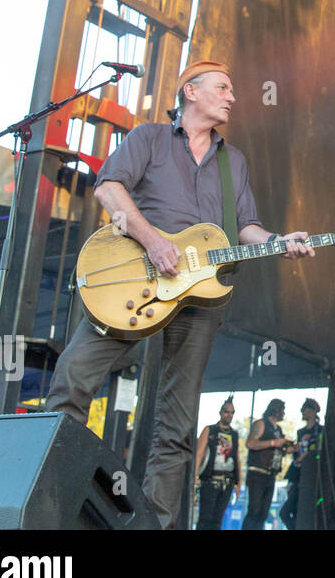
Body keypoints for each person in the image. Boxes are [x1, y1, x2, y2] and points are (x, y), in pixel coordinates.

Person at [44, 61, 315, 528]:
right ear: (191, 91)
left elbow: (244, 227)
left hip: (199, 295)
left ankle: (159, 524)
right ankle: (49, 502)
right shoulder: (149, 138)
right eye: (223, 88)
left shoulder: (234, 162)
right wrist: (152, 239)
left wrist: (278, 241)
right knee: (72, 376)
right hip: (137, 280)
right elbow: (109, 189)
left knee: (177, 424)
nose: (232, 97)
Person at [243, 398, 291, 529]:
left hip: (271, 474)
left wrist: (288, 448)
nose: (283, 414)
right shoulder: (261, 424)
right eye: (282, 410)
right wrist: (273, 443)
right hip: (258, 472)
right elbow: (250, 443)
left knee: (264, 513)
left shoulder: (278, 429)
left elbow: (279, 450)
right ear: (275, 410)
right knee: (254, 509)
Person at [194, 398, 241, 530]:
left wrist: (238, 482)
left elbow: (237, 459)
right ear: (221, 412)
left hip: (227, 482)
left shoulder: (234, 434)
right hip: (209, 480)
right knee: (205, 519)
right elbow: (199, 453)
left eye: (232, 412)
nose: (229, 415)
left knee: (217, 520)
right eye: (226, 411)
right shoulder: (210, 430)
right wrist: (194, 478)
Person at [279, 397, 323, 529]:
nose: (302, 412)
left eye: (305, 409)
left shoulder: (320, 430)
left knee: (300, 512)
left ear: (312, 411)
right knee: (287, 512)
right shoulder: (300, 432)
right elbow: (295, 451)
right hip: (296, 474)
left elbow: (320, 452)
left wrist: (308, 455)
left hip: (310, 477)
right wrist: (294, 449)